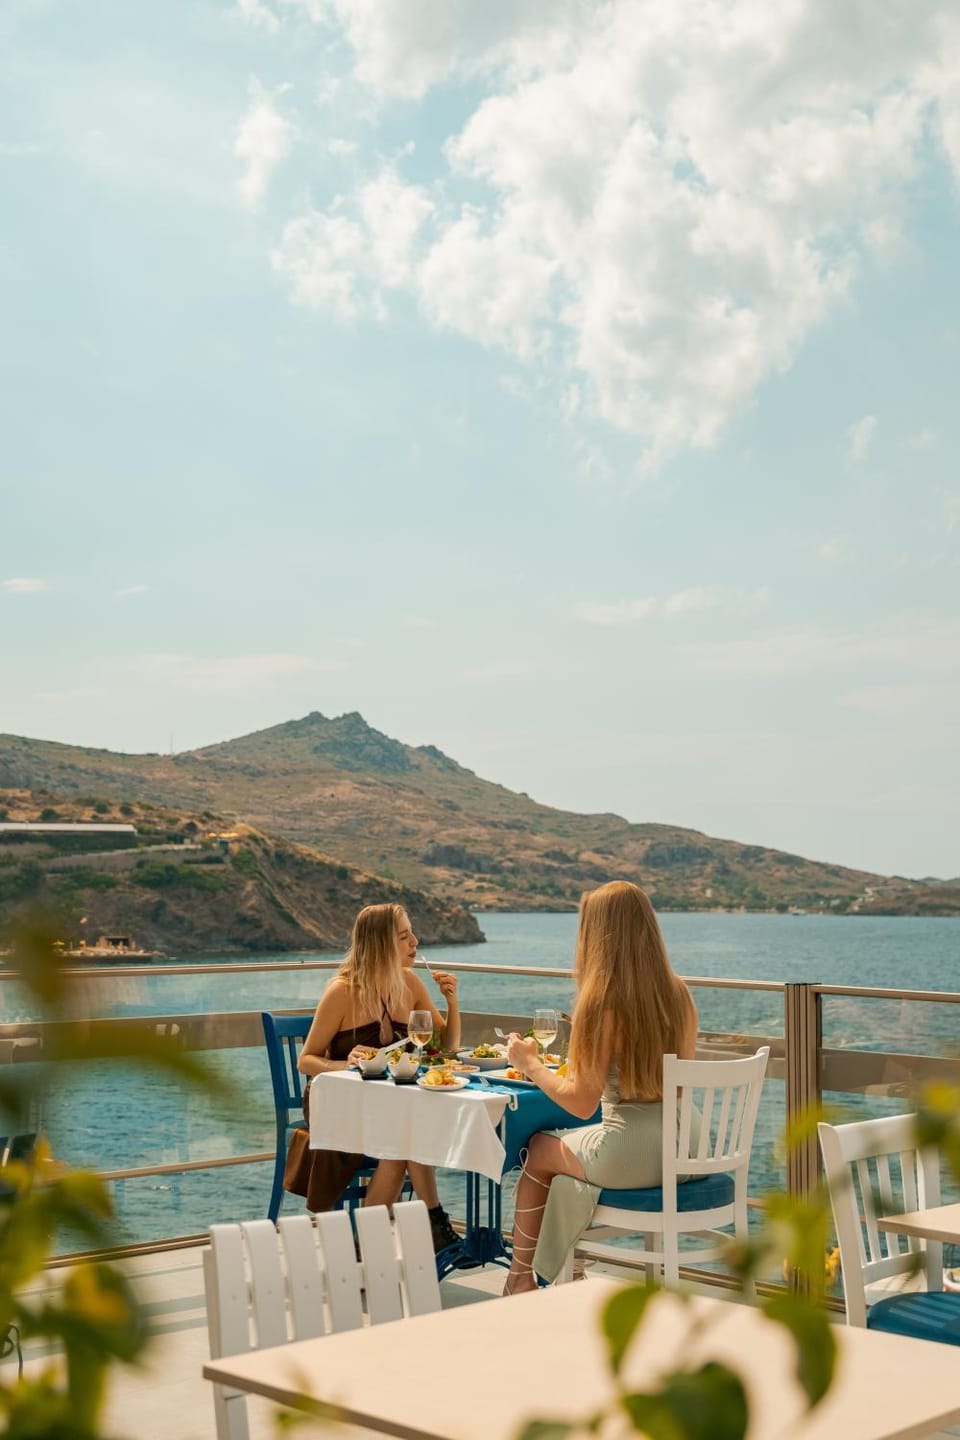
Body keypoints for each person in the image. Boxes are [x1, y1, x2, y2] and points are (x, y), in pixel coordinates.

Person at [501, 881, 698, 1294]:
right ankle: (569, 1270)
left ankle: (520, 1279)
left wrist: (530, 1064)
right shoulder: (679, 993)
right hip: (687, 1146)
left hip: (633, 1151)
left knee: (539, 1149)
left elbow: (580, 1101)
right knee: (567, 1161)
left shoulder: (601, 1001)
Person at [297, 902, 463, 1253]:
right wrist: (346, 1063)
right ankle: (432, 1223)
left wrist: (452, 1002)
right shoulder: (342, 991)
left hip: (388, 1104)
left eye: (411, 933)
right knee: (405, 1135)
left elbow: (446, 1048)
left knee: (401, 1140)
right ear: (380, 944)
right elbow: (306, 1061)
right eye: (404, 936)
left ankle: (366, 1246)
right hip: (336, 1102)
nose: (415, 941)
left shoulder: (410, 983)